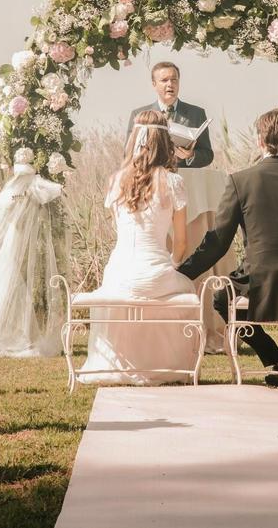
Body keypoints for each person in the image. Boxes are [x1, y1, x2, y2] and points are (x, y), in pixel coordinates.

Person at [178, 108, 278, 386]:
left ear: (260, 141)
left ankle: (273, 357)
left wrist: (183, 273)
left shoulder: (241, 181)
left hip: (258, 278)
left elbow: (217, 241)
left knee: (221, 300)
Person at [79, 110, 199, 385]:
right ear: (163, 141)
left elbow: (117, 230)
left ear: (135, 138)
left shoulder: (115, 181)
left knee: (123, 290)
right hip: (156, 272)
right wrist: (172, 264)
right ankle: (166, 363)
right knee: (185, 288)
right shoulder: (173, 182)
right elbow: (181, 243)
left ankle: (120, 361)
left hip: (119, 271)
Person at [126, 61, 213, 168]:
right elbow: (128, 154)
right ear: (154, 84)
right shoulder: (139, 115)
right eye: (164, 80)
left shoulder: (197, 113)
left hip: (185, 180)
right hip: (151, 180)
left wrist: (191, 155)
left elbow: (207, 155)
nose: (170, 84)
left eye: (174, 80)